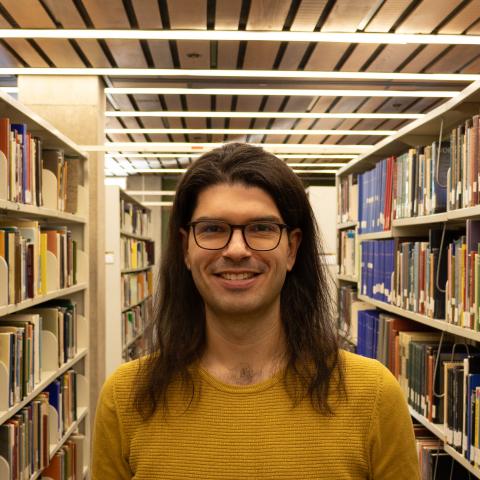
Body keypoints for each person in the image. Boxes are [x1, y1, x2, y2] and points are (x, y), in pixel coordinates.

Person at [92, 143, 420, 479]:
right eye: (212, 229)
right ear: (185, 248)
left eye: (262, 228)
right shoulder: (126, 396)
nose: (236, 250)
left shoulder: (372, 394)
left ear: (292, 248)